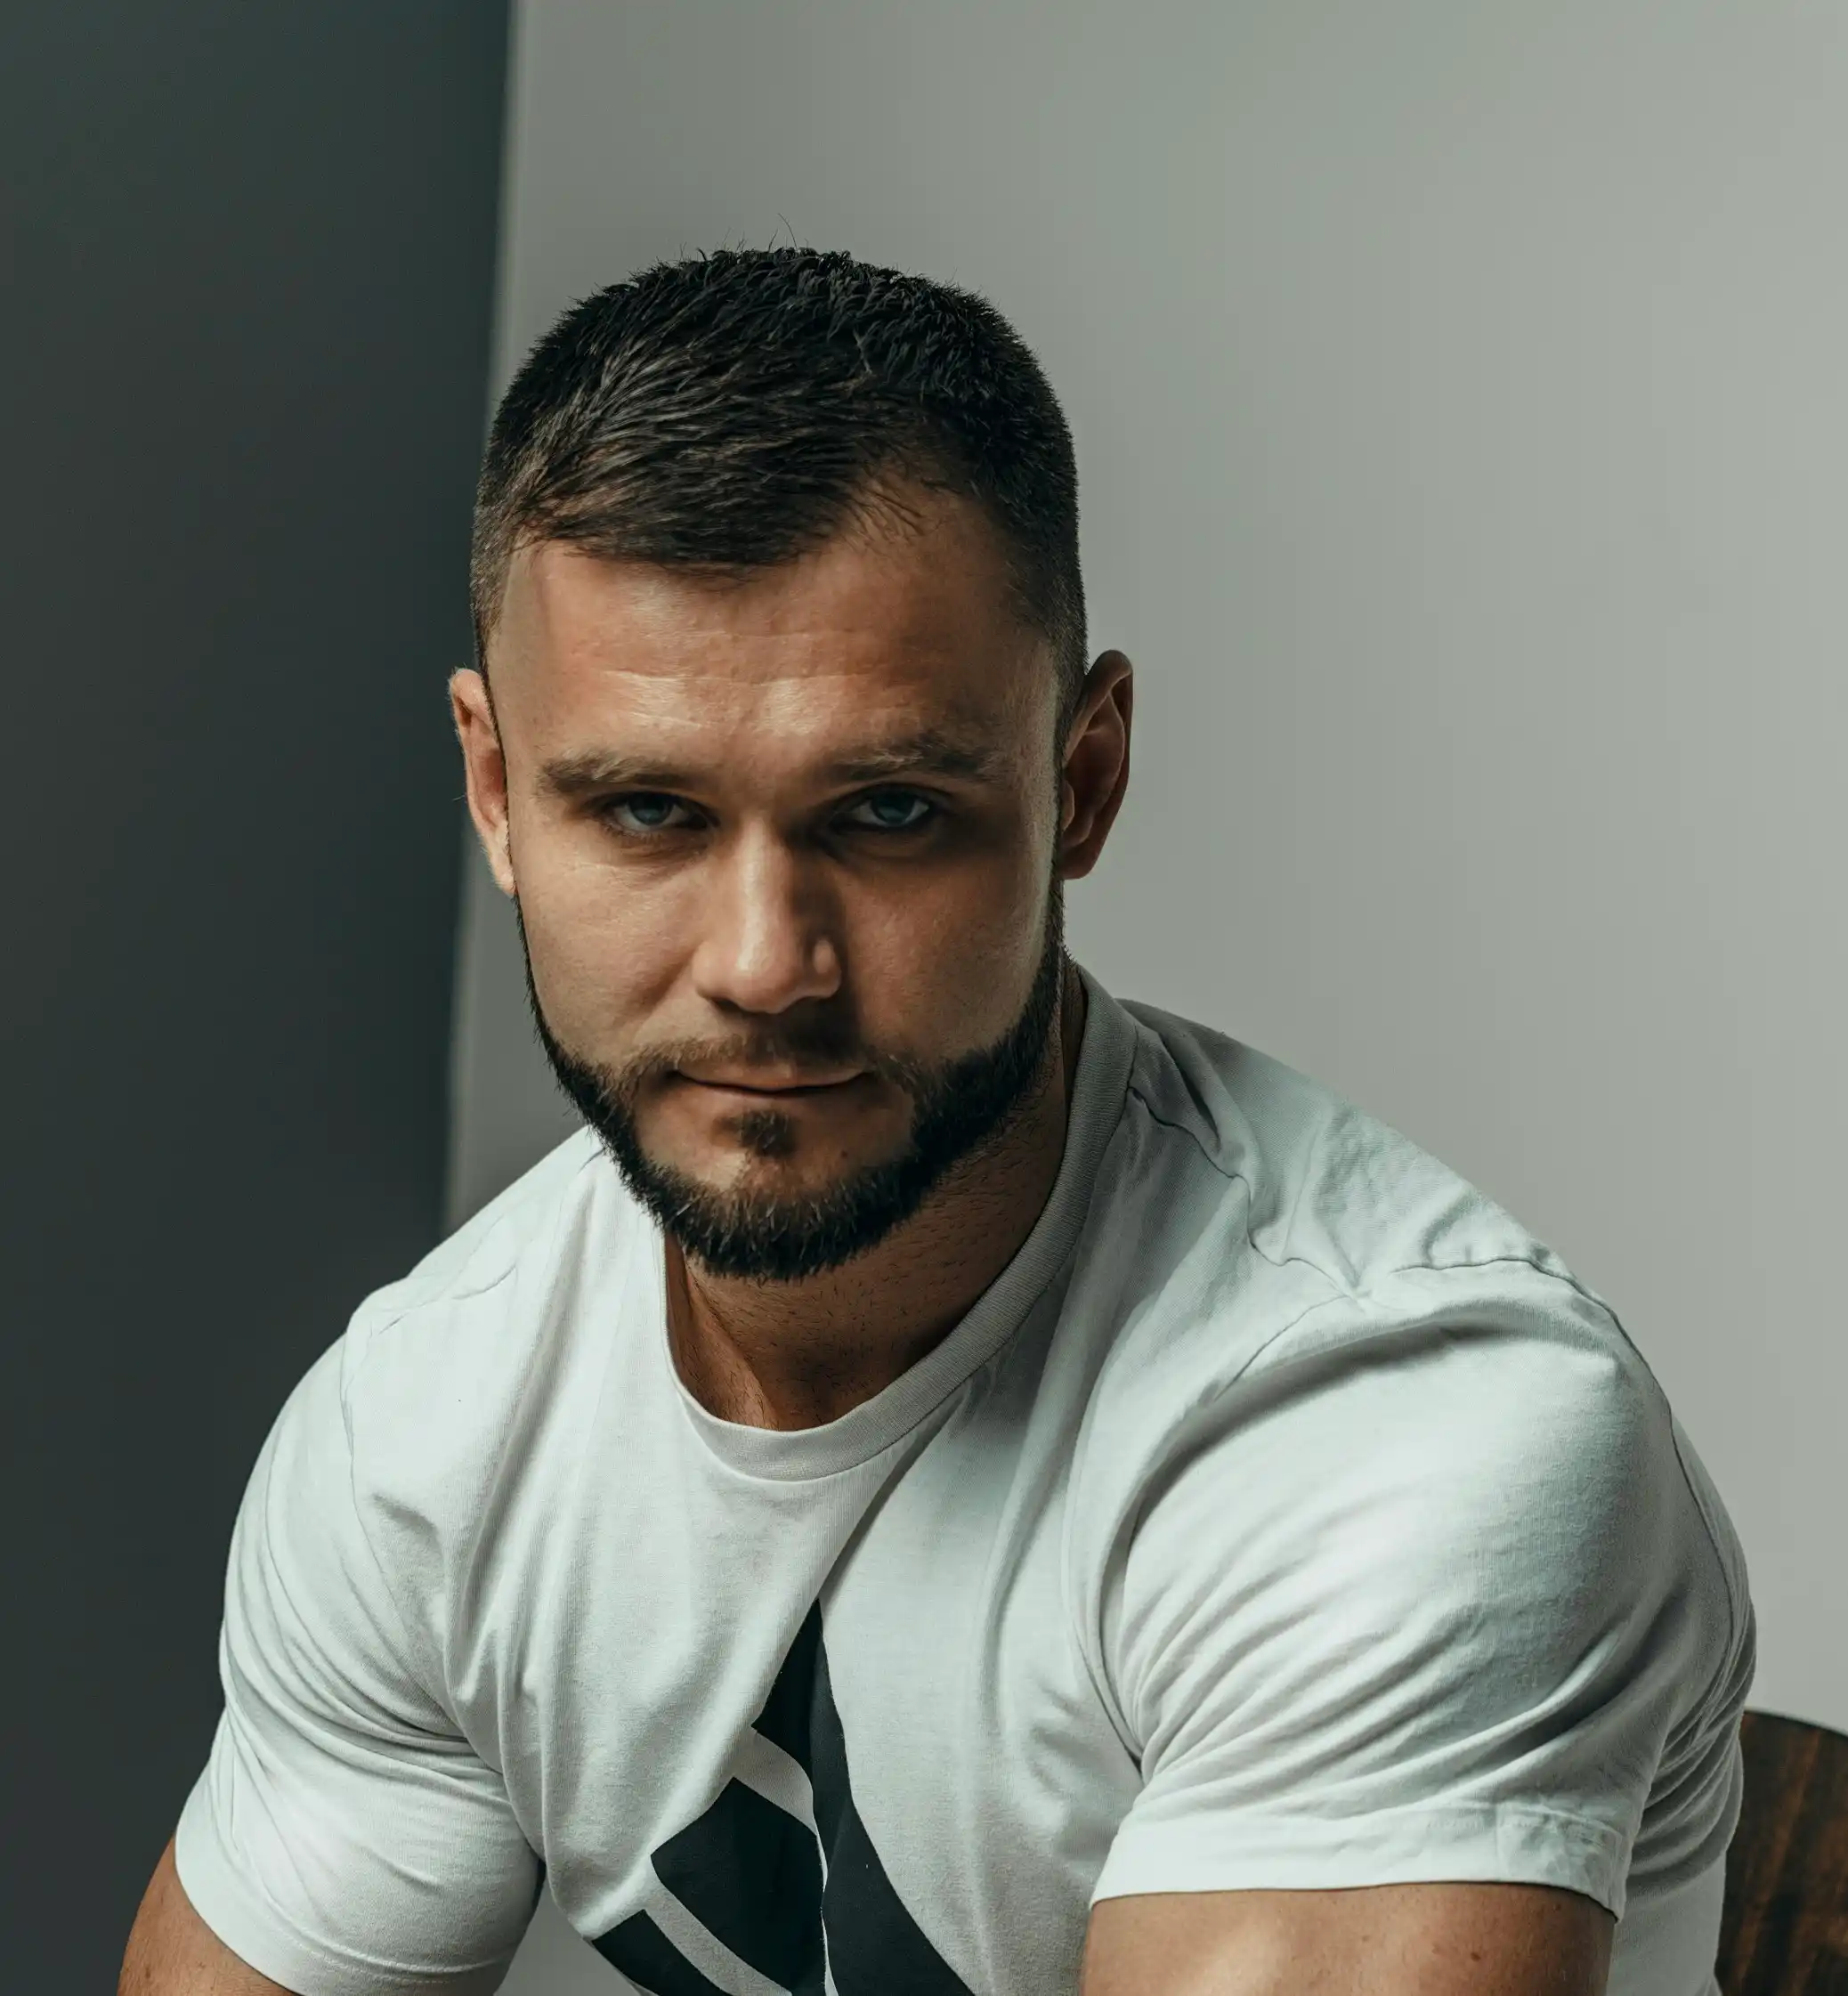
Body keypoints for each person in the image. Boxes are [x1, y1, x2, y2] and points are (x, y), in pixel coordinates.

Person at [122, 248, 1753, 1996]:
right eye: (651, 809)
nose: (763, 965)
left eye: (889, 809)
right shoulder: (425, 1438)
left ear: (1084, 779)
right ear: (498, 790)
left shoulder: (1405, 1440)